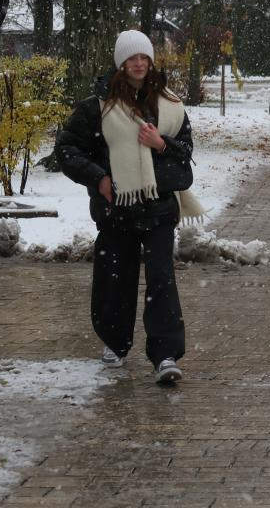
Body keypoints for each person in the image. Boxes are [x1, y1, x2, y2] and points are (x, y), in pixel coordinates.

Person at [56, 30, 204, 385]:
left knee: (161, 281)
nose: (139, 63)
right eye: (132, 58)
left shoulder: (169, 106)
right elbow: (66, 149)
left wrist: (161, 144)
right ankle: (114, 342)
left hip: (157, 213)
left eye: (144, 57)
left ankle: (165, 354)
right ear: (121, 63)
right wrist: (99, 178)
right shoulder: (99, 106)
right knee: (113, 281)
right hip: (115, 211)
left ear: (151, 61)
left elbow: (184, 160)